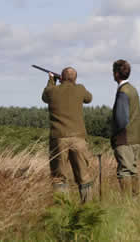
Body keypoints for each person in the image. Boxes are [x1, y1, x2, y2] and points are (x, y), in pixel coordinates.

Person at [42, 67, 94, 203]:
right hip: (79, 139)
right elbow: (89, 98)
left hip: (59, 138)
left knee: (59, 177)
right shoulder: (80, 89)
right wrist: (73, 85)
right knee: (84, 176)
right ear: (75, 78)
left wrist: (51, 81)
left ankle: (62, 208)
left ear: (62, 78)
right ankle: (88, 209)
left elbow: (44, 97)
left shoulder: (52, 90)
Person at [111, 59, 140, 197]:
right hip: (136, 138)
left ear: (116, 74)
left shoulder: (123, 91)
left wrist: (114, 137)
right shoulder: (133, 89)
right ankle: (135, 201)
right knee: (133, 170)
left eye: (113, 71)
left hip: (125, 139)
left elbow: (121, 120)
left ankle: (127, 202)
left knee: (124, 171)